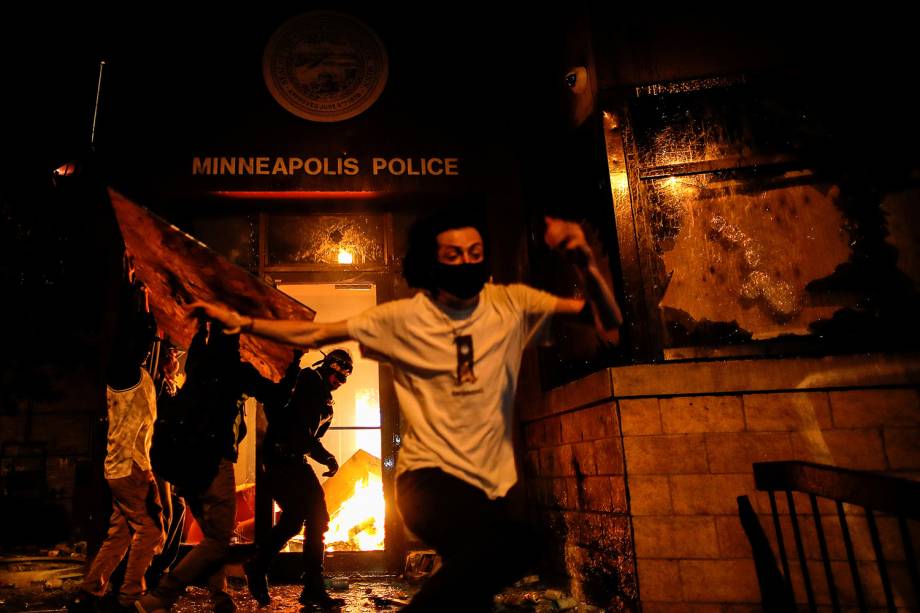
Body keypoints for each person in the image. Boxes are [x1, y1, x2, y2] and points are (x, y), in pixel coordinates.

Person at [190, 211, 622, 611]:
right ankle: (303, 580)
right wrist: (243, 323)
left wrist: (583, 259)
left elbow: (607, 321)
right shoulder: (404, 318)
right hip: (427, 480)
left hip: (480, 480)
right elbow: (317, 331)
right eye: (453, 255)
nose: (466, 263)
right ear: (431, 263)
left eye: (475, 253)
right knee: (510, 547)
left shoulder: (508, 304)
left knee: (484, 573)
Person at [136, 318, 298, 613]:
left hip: (185, 465)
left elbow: (198, 342)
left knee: (211, 532)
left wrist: (200, 325)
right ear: (236, 341)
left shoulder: (198, 360)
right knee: (218, 539)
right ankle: (162, 594)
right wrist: (295, 359)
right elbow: (279, 396)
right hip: (214, 462)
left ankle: (219, 596)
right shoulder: (236, 370)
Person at [70, 256, 164, 612]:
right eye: (149, 340)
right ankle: (130, 596)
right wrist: (131, 291)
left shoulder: (135, 374)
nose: (152, 345)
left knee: (121, 533)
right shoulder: (123, 373)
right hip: (128, 470)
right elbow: (132, 329)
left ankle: (91, 590)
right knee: (151, 532)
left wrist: (142, 296)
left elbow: (141, 329)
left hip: (123, 468)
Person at [244, 348, 353, 608]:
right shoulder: (307, 381)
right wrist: (325, 457)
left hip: (290, 458)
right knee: (316, 516)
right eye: (337, 376)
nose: (339, 383)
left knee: (297, 519)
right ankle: (306, 584)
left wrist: (325, 457)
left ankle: (261, 567)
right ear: (328, 368)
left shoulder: (324, 397)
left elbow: (308, 437)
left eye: (344, 379)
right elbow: (298, 430)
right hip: (282, 457)